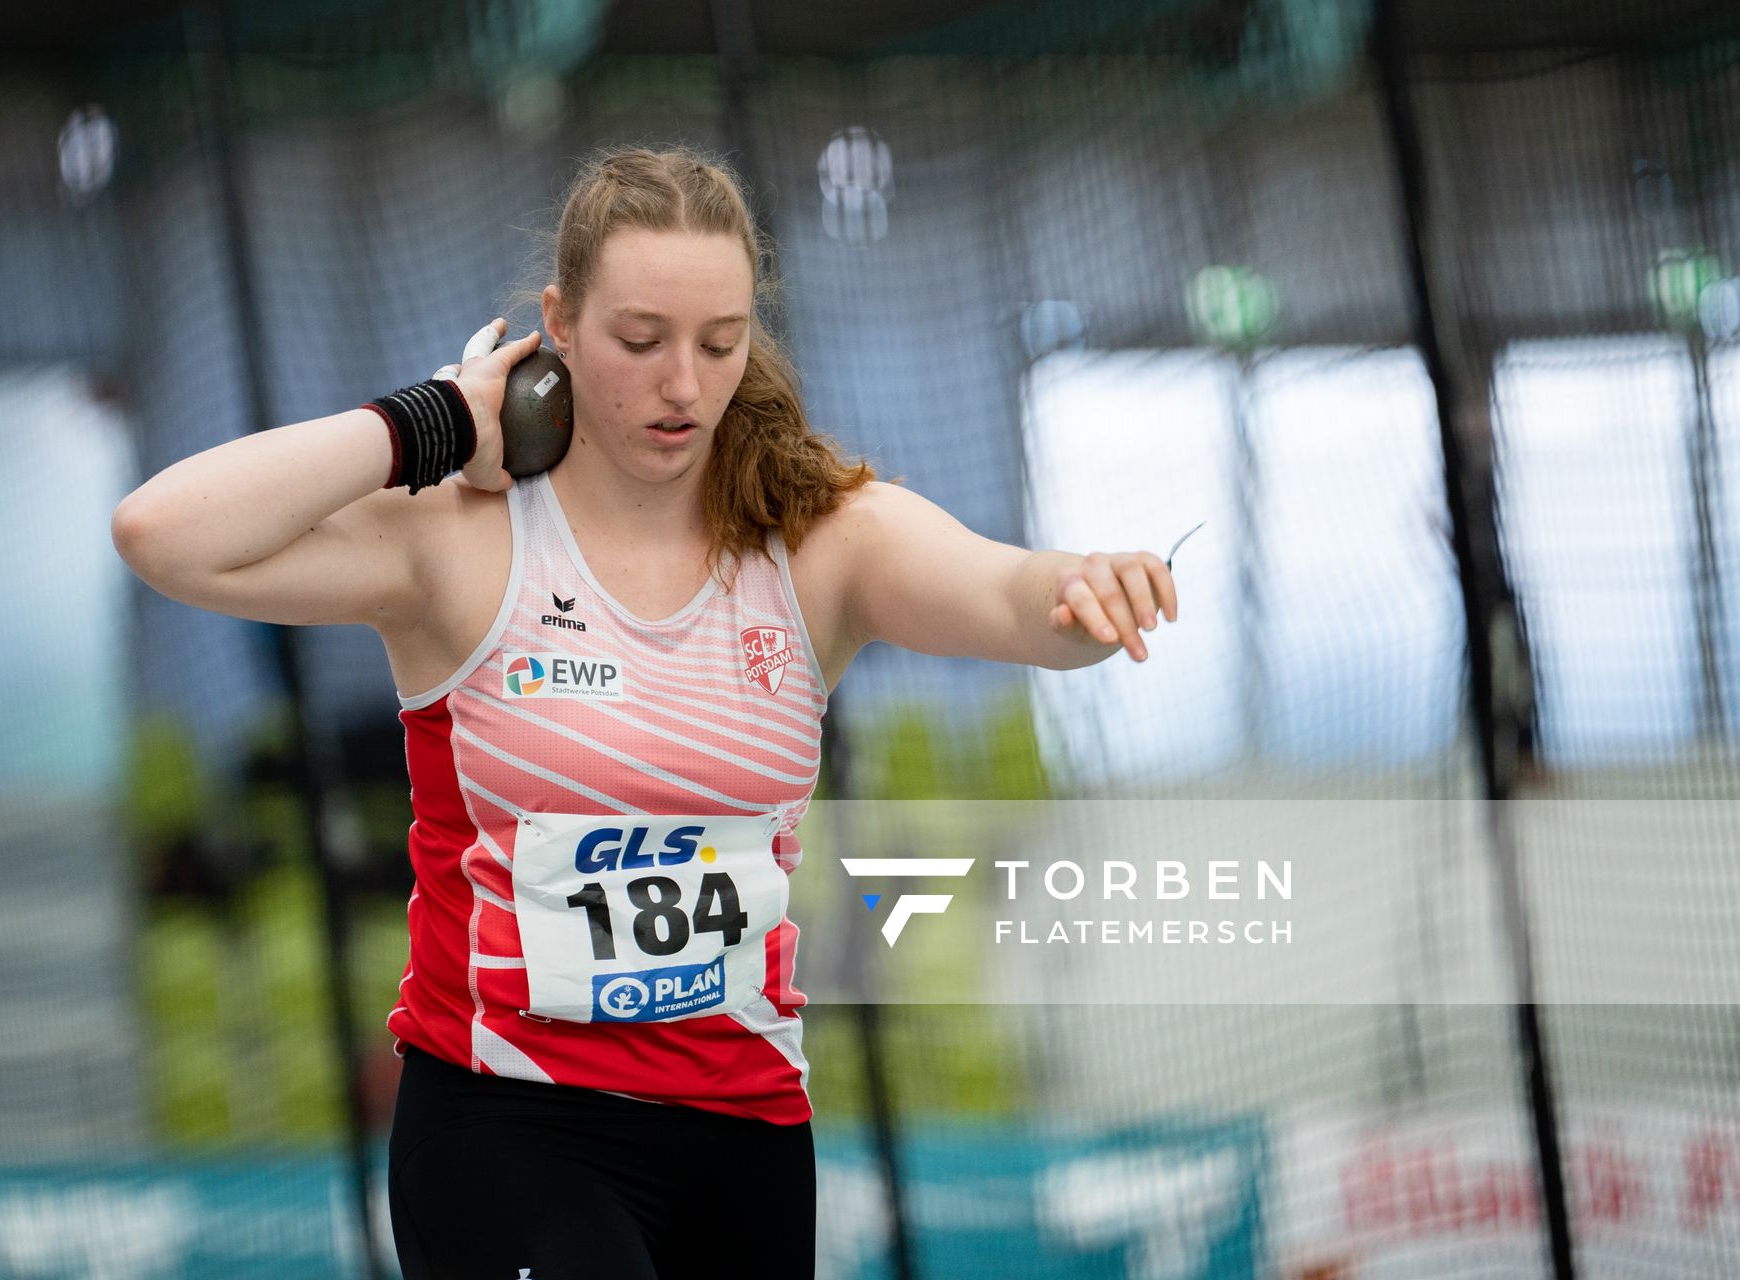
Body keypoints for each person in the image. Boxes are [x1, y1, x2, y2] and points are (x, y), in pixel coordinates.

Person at [111, 144, 1178, 1280]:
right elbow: (161, 533)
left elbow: (1013, 595)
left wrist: (1082, 587)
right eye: (640, 340)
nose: (684, 384)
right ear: (556, 326)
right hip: (507, 1121)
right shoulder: (462, 542)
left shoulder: (816, 539)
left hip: (747, 1131)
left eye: (720, 343)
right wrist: (430, 421)